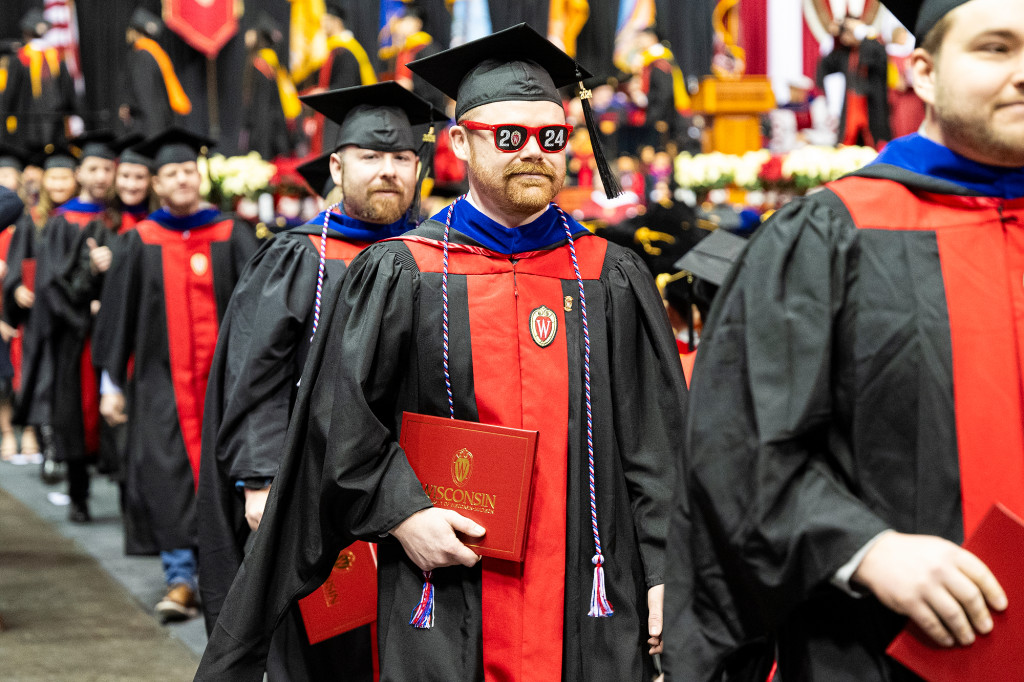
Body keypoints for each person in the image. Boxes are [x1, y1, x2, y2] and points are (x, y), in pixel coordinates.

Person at [196, 23, 686, 681]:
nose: (533, 151)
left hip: (591, 595)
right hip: (447, 588)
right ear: (459, 143)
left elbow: (657, 450)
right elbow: (342, 423)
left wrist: (665, 575)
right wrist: (402, 514)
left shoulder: (610, 275)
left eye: (552, 136)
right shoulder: (403, 272)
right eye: (508, 137)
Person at [664, 0, 1024, 679]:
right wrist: (865, 550)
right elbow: (739, 443)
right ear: (921, 71)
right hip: (879, 650)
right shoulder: (834, 235)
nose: (1023, 73)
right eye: (995, 49)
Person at [199, 82, 446, 682]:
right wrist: (259, 482)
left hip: (411, 494)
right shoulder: (299, 256)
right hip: (310, 489)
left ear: (419, 166)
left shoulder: (434, 256)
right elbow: (255, 376)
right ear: (337, 164)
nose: (387, 171)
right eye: (370, 157)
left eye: (401, 158)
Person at [93, 128, 259, 622]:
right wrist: (110, 386)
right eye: (171, 174)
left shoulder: (233, 234)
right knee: (168, 476)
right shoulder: (139, 241)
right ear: (157, 185)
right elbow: (116, 317)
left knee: (234, 476)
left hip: (229, 386)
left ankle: (238, 580)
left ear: (199, 176)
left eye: (188, 170)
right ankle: (181, 578)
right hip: (160, 383)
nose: (182, 180)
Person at [49, 136, 153, 519]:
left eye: (136, 176)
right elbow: (67, 282)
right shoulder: (100, 224)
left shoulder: (160, 224)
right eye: (121, 175)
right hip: (95, 336)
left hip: (150, 339)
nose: (127, 183)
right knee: (88, 413)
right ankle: (84, 494)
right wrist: (93, 272)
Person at [44, 132, 118, 520]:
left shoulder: (121, 218)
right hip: (76, 334)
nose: (101, 175)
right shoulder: (62, 222)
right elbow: (50, 282)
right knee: (76, 410)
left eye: (107, 168)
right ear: (79, 173)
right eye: (93, 168)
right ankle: (78, 495)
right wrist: (81, 316)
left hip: (116, 329)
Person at [3, 145, 79, 475]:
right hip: (41, 316)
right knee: (44, 381)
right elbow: (17, 264)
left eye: (65, 177)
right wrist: (16, 286)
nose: (59, 184)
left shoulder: (86, 217)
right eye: (54, 177)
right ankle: (48, 447)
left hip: (74, 315)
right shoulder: (32, 220)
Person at [5, 10, 76, 151]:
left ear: (26, 33)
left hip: (27, 122)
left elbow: (11, 93)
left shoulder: (19, 59)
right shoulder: (55, 57)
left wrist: (7, 115)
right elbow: (68, 92)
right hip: (54, 119)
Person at [817, 16, 892, 149]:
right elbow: (826, 64)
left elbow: (874, 57)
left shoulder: (874, 46)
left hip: (871, 106)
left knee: (875, 145)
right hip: (850, 106)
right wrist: (833, 37)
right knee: (846, 144)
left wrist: (860, 31)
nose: (846, 35)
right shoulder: (845, 54)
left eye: (849, 31)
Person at [313, 2, 377, 155]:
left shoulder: (346, 51)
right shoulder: (333, 50)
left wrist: (323, 91)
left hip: (343, 116)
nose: (322, 25)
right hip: (334, 114)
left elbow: (346, 86)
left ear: (336, 21)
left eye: (326, 20)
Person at [119, 9, 191, 137]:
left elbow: (146, 97)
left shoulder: (142, 55)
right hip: (158, 122)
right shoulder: (155, 53)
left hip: (148, 128)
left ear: (135, 32)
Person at [240, 13, 298, 161]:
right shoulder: (271, 61)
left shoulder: (261, 64)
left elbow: (262, 107)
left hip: (264, 131)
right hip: (275, 127)